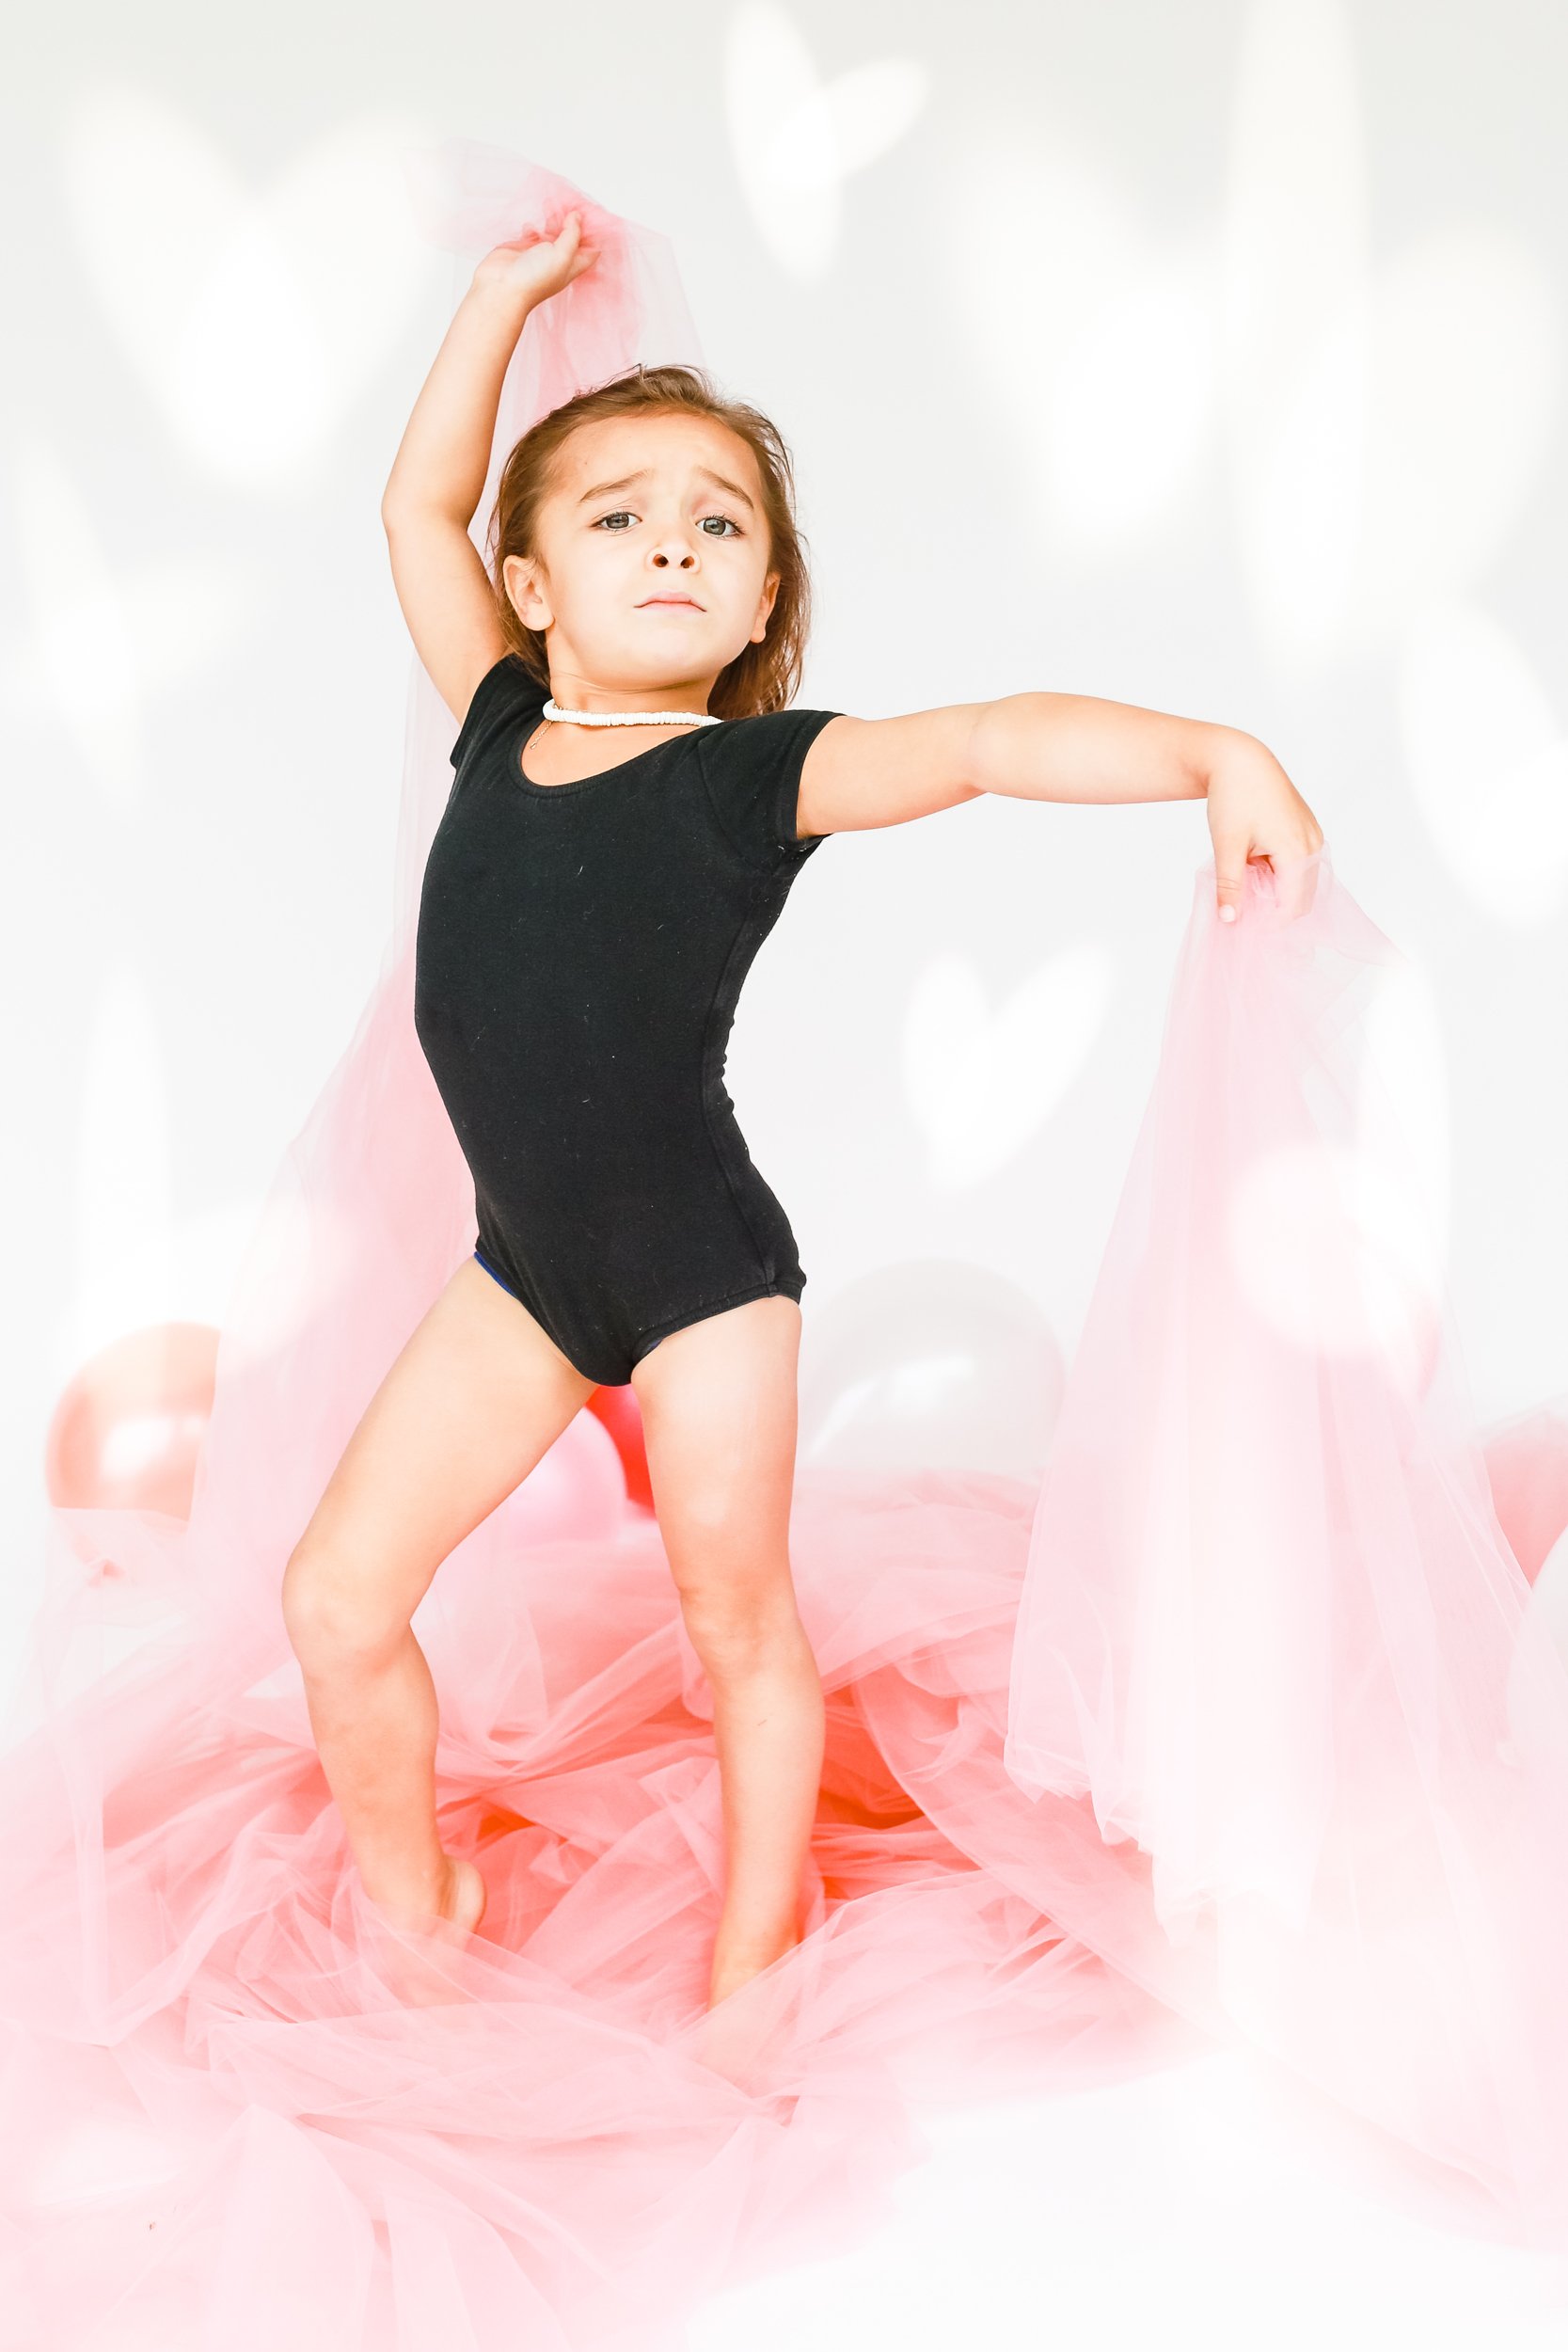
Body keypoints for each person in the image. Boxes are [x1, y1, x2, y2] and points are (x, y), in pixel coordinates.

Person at [277, 205, 1324, 2010]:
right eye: (617, 515)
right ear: (530, 582)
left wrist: (1210, 756)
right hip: (520, 1275)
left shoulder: (757, 773)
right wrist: (501, 294)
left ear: (764, 598)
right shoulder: (493, 717)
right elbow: (410, 511)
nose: (671, 542)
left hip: (698, 1278)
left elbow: (989, 742)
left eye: (718, 523)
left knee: (734, 1621)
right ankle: (410, 1907)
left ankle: (753, 1968)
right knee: (334, 1599)